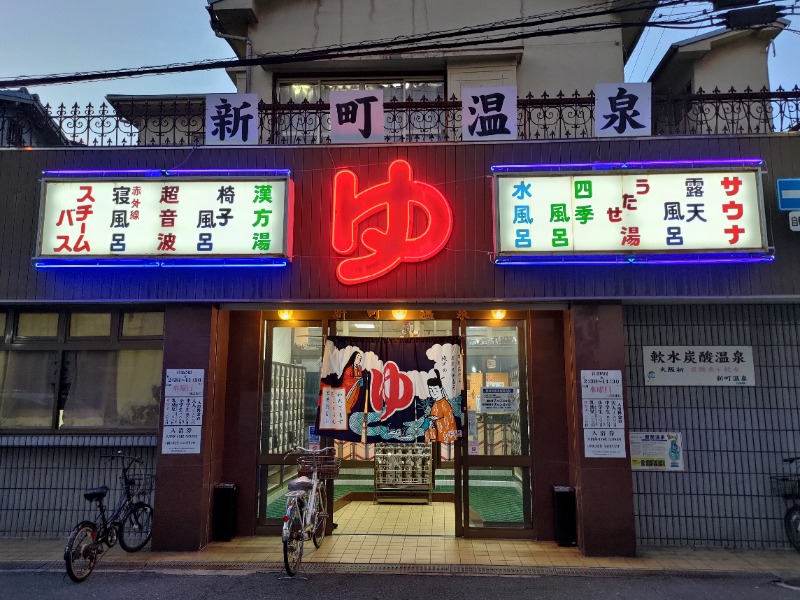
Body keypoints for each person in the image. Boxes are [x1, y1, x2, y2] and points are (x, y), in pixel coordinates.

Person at [424, 369, 458, 443]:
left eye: (435, 389)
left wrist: (436, 419)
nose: (433, 392)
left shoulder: (445, 404)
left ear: (440, 389)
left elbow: (449, 421)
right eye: (430, 390)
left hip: (445, 437)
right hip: (437, 434)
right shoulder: (435, 405)